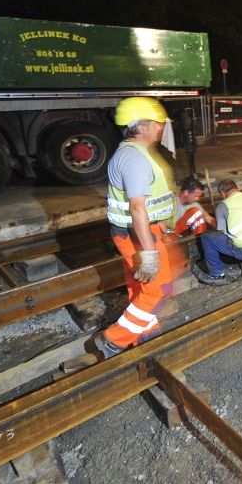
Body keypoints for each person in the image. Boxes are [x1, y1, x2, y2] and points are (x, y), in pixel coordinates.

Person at [95, 97, 178, 359]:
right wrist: (150, 252)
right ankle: (113, 340)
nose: (161, 127)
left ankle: (144, 331)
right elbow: (137, 209)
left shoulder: (133, 153)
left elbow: (146, 201)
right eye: (157, 123)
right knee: (159, 289)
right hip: (138, 235)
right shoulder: (134, 159)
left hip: (135, 232)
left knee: (140, 285)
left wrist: (161, 221)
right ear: (141, 127)